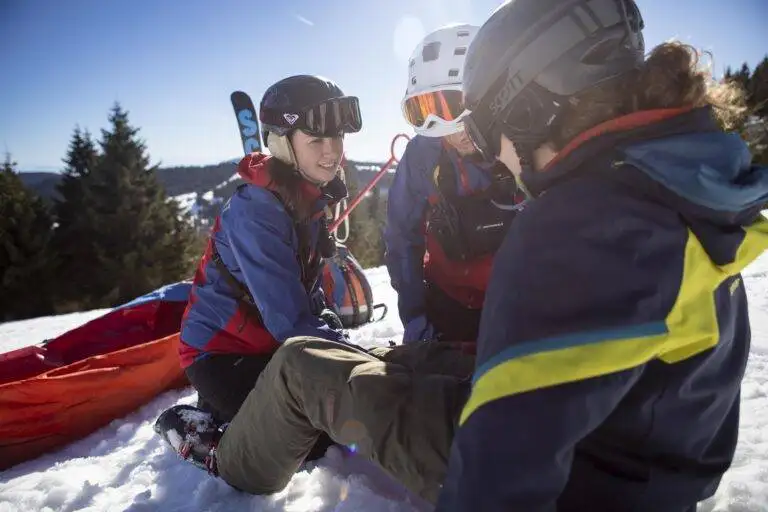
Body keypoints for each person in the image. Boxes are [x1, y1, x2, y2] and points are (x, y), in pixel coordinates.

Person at [436, 0, 768, 510]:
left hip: (581, 482)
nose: (493, 159)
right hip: (648, 474)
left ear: (527, 112)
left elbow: (494, 477)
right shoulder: (687, 194)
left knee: (337, 378)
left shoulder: (578, 225)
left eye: (485, 132)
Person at [175, 74, 362, 457]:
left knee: (334, 410)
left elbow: (306, 290)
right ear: (282, 144)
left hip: (264, 345)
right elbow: (291, 324)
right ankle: (198, 434)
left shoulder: (307, 196)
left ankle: (227, 406)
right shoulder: (257, 211)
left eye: (337, 136)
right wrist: (358, 362)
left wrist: (331, 328)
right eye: (316, 140)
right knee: (318, 434)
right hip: (221, 355)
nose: (332, 150)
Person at [385, 23, 525, 344]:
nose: (453, 130)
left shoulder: (523, 141)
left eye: (454, 106)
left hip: (524, 300)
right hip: (450, 302)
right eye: (429, 110)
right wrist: (415, 315)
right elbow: (402, 236)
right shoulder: (423, 156)